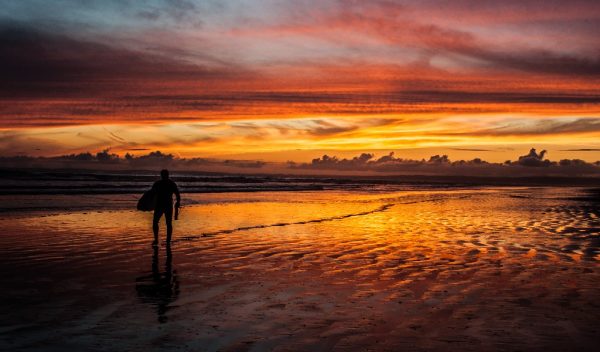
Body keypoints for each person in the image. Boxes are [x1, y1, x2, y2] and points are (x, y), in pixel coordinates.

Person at [152, 169, 180, 245]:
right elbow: (177, 194)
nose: (164, 176)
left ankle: (158, 239)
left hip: (160, 205)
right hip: (166, 205)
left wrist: (178, 202)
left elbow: (151, 194)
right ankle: (167, 240)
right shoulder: (171, 183)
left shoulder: (158, 183)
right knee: (168, 223)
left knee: (156, 222)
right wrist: (178, 202)